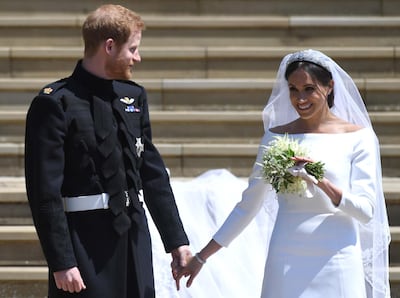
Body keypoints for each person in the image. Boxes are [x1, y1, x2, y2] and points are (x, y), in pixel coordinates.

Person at [175, 49, 391, 297]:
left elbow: (365, 211)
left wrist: (320, 181)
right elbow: (248, 206)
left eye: (309, 89)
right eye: (293, 89)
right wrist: (202, 257)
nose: (300, 98)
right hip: (286, 254)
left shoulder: (358, 138)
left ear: (329, 86)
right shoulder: (276, 137)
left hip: (338, 254)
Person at [24, 4, 191, 298]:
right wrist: (62, 261)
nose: (137, 58)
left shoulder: (133, 96)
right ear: (109, 46)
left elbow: (152, 175)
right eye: (133, 49)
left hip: (133, 237)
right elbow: (44, 193)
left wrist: (176, 241)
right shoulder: (55, 103)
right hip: (85, 244)